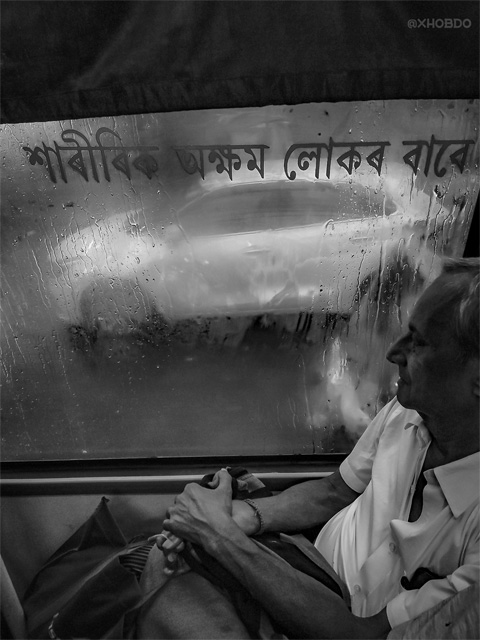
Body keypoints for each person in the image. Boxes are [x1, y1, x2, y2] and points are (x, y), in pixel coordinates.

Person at [154, 257, 479, 639]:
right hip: (304, 562)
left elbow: (358, 633)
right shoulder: (406, 412)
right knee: (168, 558)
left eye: (420, 343)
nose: (394, 353)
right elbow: (333, 492)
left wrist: (221, 537)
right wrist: (243, 515)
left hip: (329, 620)